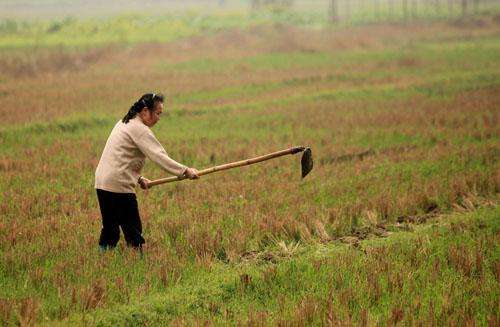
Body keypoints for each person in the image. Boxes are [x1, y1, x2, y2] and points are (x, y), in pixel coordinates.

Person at [94, 93, 199, 253]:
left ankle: (101, 260)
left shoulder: (124, 122)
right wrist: (185, 171)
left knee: (110, 229)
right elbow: (159, 156)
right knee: (133, 229)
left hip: (103, 182)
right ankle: (138, 262)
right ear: (144, 111)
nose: (158, 118)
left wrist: (138, 178)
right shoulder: (140, 129)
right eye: (157, 113)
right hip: (118, 185)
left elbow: (120, 158)